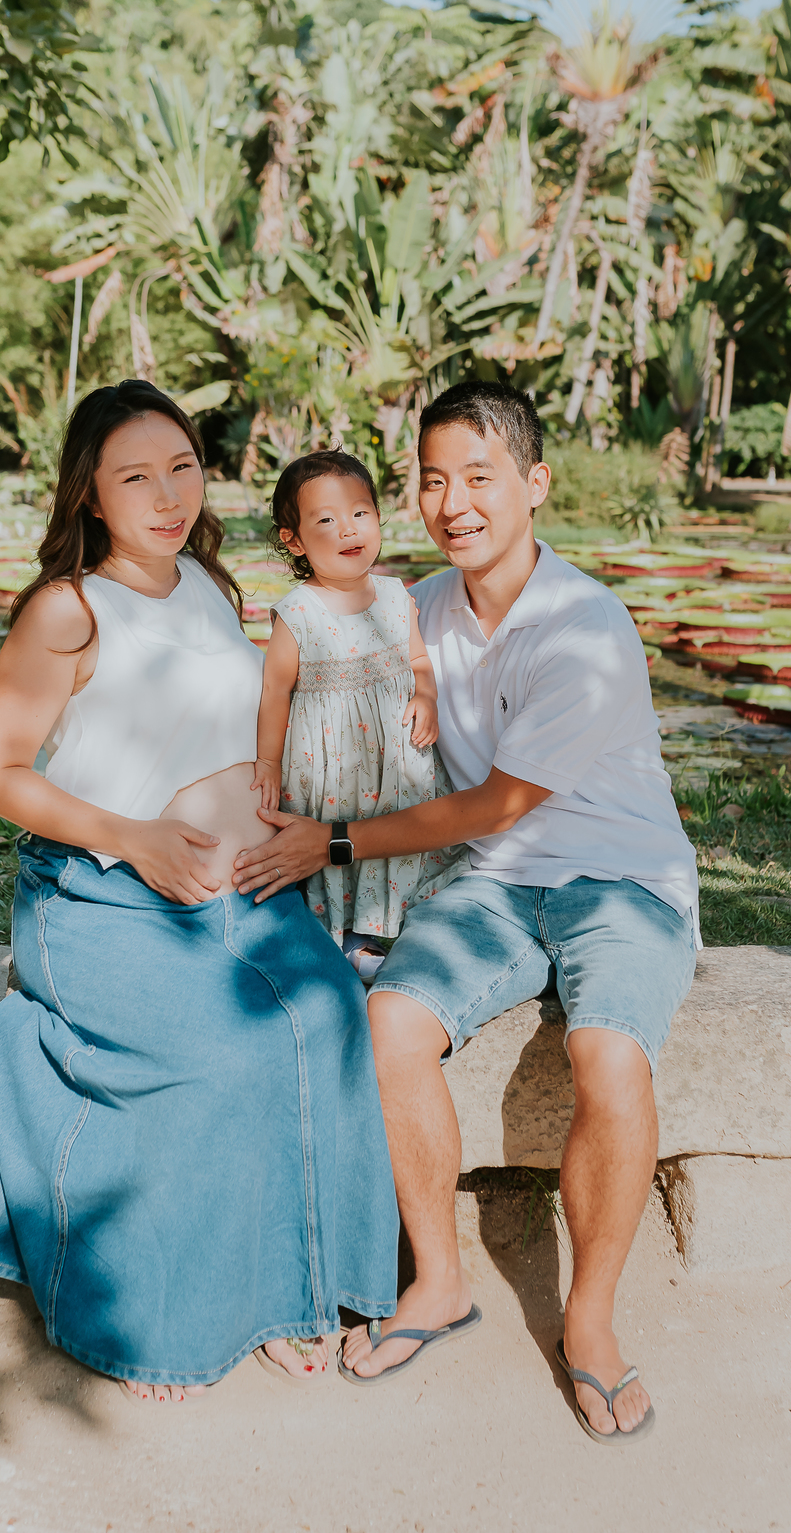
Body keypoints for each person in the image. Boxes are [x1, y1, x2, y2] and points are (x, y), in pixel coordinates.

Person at [234, 381, 699, 1444]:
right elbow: (313, 676)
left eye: (479, 477)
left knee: (608, 1053)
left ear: (534, 484)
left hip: (618, 880)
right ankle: (438, 1282)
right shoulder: (417, 607)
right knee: (390, 1022)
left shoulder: (586, 625)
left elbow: (496, 801)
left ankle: (587, 1320)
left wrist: (334, 843)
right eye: (433, 480)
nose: (454, 502)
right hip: (486, 885)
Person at [0, 380, 397, 1403]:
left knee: (333, 1009)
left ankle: (304, 1286)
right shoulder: (67, 611)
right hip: (102, 895)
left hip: (241, 891)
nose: (167, 495)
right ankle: (160, 1311)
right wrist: (139, 839)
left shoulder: (206, 579)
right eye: (134, 477)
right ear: (91, 494)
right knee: (224, 1049)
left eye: (183, 468)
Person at [255, 450, 467, 979]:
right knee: (334, 841)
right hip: (330, 766)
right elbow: (275, 692)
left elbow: (418, 658)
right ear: (295, 541)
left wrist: (426, 696)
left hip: (395, 761)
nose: (348, 529)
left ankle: (397, 926)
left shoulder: (396, 597)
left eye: (360, 512)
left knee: (392, 836)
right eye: (326, 520)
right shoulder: (299, 611)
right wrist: (265, 762)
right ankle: (346, 938)